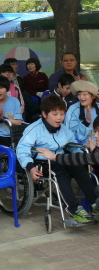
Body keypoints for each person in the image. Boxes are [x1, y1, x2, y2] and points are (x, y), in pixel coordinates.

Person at [17, 95, 97, 223]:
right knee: (60, 171)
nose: (59, 118)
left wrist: (80, 158)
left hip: (59, 158)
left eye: (62, 114)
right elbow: (22, 149)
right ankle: (74, 209)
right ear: (44, 114)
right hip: (42, 163)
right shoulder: (34, 129)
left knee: (79, 168)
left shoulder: (64, 130)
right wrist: (30, 167)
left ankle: (95, 204)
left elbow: (73, 146)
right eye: (55, 114)